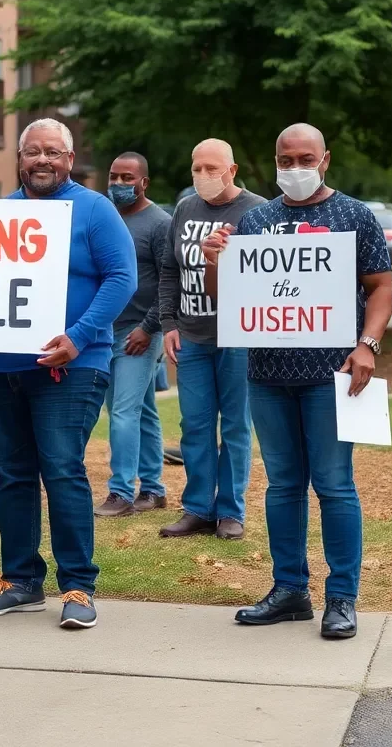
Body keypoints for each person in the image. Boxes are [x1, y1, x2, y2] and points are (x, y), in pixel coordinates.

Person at [0, 119, 137, 630]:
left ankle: (78, 586)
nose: (43, 160)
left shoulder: (94, 210)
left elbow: (122, 278)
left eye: (54, 152)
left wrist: (78, 334)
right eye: (34, 152)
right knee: (12, 471)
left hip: (70, 365)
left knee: (62, 468)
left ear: (70, 159)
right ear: (20, 159)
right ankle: (20, 581)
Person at [204, 124, 392, 640]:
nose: (294, 168)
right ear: (274, 161)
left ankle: (342, 598)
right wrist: (215, 260)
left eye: (304, 158)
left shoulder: (355, 216)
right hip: (267, 375)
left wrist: (367, 345)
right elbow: (229, 297)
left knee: (334, 486)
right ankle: (289, 590)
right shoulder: (257, 220)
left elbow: (379, 287)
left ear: (325, 159)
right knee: (283, 486)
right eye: (285, 160)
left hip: (333, 376)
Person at [158, 139, 265, 540]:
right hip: (192, 335)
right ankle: (198, 508)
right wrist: (170, 323)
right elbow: (170, 268)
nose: (203, 176)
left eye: (212, 168)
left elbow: (265, 277)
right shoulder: (185, 209)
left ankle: (230, 511)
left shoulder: (255, 210)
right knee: (196, 425)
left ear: (232, 170)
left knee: (236, 425)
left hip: (238, 337)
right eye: (197, 168)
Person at [95, 152, 171, 517]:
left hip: (139, 332)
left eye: (128, 178)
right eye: (114, 177)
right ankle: (154, 489)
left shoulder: (159, 223)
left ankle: (121, 493)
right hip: (105, 331)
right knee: (142, 411)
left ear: (144, 182)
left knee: (122, 412)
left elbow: (168, 282)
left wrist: (148, 328)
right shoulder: (106, 218)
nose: (119, 184)